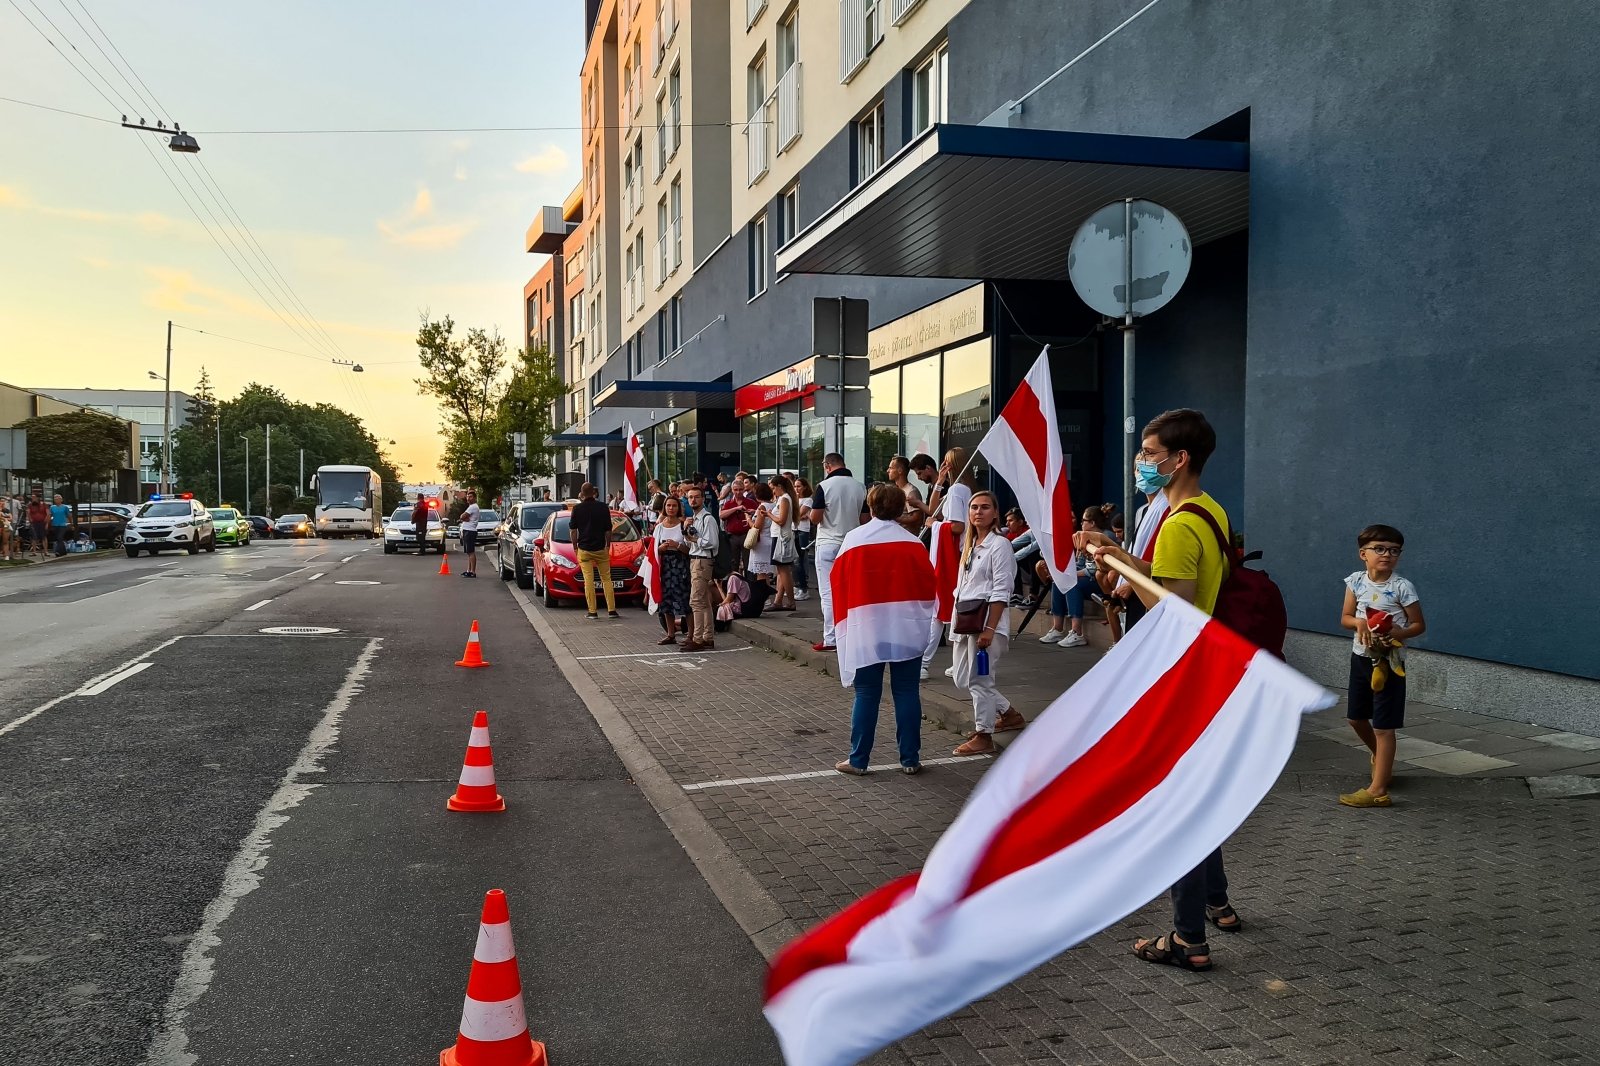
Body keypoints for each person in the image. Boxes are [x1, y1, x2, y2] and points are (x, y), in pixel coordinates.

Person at [1077, 408, 1239, 974]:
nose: (1142, 463)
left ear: (1180, 459)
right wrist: (1118, 554)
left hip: (1182, 677)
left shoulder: (1176, 524)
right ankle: (1217, 903)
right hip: (1210, 672)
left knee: (1177, 807)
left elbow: (1174, 611)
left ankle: (1187, 935)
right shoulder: (1206, 510)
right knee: (1199, 798)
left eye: (1149, 454)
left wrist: (1126, 576)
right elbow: (1171, 577)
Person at [833, 484, 933, 777]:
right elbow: (928, 585)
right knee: (906, 691)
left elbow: (837, 581)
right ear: (902, 508)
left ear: (871, 507)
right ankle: (910, 759)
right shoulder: (914, 543)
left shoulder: (854, 540)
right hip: (905, 626)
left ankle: (859, 759)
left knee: (866, 692)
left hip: (867, 626)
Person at [1339, 524, 1425, 808]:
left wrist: (1398, 633)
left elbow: (1418, 625)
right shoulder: (1356, 582)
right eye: (1379, 549)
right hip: (1361, 657)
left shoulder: (1402, 587)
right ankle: (1382, 760)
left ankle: (1378, 790)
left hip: (1390, 663)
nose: (1386, 554)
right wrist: (1360, 623)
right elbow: (1346, 618)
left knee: (1384, 727)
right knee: (1355, 717)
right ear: (1363, 553)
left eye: (1394, 550)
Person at [949, 491, 1026, 755]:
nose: (978, 512)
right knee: (962, 679)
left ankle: (984, 735)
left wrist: (990, 628)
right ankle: (1008, 713)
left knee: (980, 680)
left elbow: (1002, 589)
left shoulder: (999, 545)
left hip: (985, 622)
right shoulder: (969, 545)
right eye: (973, 507)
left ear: (995, 512)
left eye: (984, 507)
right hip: (964, 620)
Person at [809, 453, 867, 652]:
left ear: (827, 466)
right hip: (851, 543)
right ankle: (851, 633)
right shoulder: (860, 487)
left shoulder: (824, 487)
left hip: (827, 543)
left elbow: (815, 518)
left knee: (828, 593)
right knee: (850, 590)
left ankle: (831, 638)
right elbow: (865, 518)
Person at [569, 482, 618, 619]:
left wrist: (575, 547)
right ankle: (612, 610)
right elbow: (608, 530)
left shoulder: (577, 509)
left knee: (588, 580)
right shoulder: (603, 507)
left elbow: (573, 530)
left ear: (582, 493)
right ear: (594, 493)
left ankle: (592, 612)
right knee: (606, 579)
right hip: (600, 548)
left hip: (584, 549)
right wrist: (608, 545)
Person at [682, 486, 720, 651]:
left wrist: (695, 539)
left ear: (702, 499)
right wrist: (686, 532)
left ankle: (697, 639)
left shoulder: (707, 519)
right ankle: (707, 637)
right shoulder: (694, 519)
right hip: (695, 559)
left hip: (703, 561)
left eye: (696, 497)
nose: (693, 500)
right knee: (703, 600)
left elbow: (711, 542)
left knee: (696, 600)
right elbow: (688, 543)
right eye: (690, 497)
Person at [652, 494, 692, 645]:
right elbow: (652, 550)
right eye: (668, 505)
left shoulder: (684, 525)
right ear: (664, 507)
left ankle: (690, 634)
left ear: (678, 508)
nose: (671, 508)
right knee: (666, 601)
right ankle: (670, 634)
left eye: (674, 506)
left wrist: (677, 545)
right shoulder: (659, 527)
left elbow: (691, 549)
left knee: (685, 600)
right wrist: (660, 549)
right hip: (665, 567)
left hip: (680, 566)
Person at [767, 474, 798, 610]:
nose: (773, 491)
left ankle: (790, 601)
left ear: (779, 487)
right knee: (781, 570)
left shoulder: (785, 499)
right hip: (780, 536)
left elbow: (781, 520)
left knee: (783, 570)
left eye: (774, 488)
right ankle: (778, 600)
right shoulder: (783, 498)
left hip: (781, 537)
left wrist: (769, 514)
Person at [886, 455, 926, 533]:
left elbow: (916, 517)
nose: (888, 471)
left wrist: (893, 518)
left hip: (907, 536)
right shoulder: (896, 490)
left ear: (900, 470)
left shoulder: (911, 492)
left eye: (891, 468)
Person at [746, 480, 776, 580]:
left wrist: (748, 519)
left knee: (761, 573)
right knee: (767, 572)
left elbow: (757, 526)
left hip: (761, 541)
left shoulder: (762, 507)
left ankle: (762, 593)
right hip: (771, 539)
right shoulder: (774, 505)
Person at [792, 476, 815, 600]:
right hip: (793, 529)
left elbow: (797, 514)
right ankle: (797, 585)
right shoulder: (795, 498)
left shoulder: (808, 500)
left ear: (805, 487)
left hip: (802, 530)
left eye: (799, 486)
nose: (796, 489)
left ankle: (803, 588)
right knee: (794, 561)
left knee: (799, 560)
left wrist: (799, 516)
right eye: (795, 486)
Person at [459, 490, 482, 577]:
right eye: (468, 496)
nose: (468, 498)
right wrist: (464, 518)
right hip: (467, 530)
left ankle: (473, 572)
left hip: (470, 531)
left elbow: (462, 516)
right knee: (469, 552)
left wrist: (464, 518)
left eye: (471, 496)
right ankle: (469, 570)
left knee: (471, 552)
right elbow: (463, 517)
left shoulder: (473, 507)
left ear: (475, 498)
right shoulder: (471, 507)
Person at [0, 495, 14, 562]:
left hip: (6, 526)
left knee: (5, 541)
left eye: (3, 501)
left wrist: (3, 518)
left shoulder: (6, 510)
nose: (2, 503)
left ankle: (6, 555)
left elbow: (11, 518)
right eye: (1, 501)